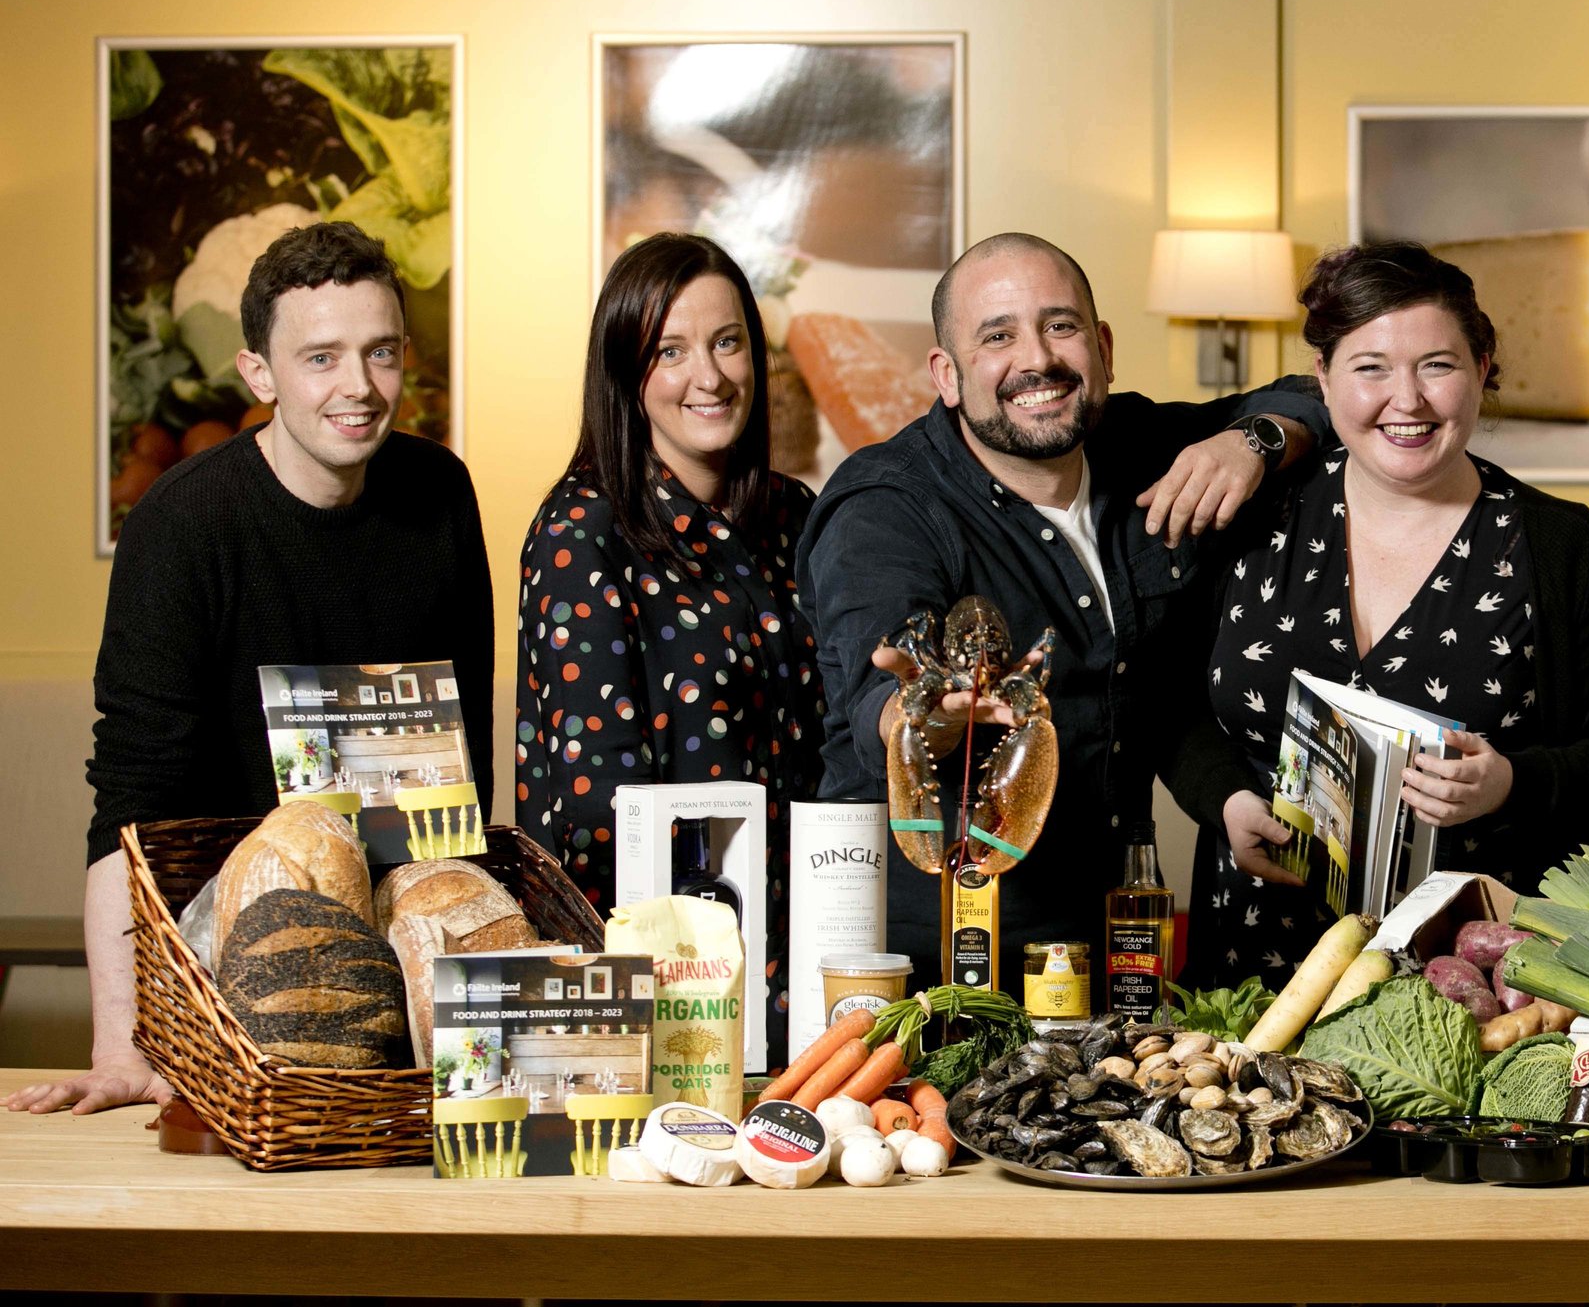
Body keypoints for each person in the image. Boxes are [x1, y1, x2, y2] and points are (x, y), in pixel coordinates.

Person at [7, 221, 494, 1116]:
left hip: (406, 940)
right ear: (258, 375)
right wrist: (121, 1045)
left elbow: (461, 769)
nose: (359, 387)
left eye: (380, 352)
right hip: (225, 959)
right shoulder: (182, 525)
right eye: (322, 358)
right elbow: (130, 802)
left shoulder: (441, 494)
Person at [798, 232, 1330, 980]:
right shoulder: (884, 506)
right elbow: (876, 699)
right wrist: (928, 715)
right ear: (946, 375)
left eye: (1060, 325)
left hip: (1109, 954)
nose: (1037, 359)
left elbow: (1318, 394)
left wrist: (1254, 441)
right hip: (932, 972)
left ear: (1103, 347)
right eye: (997, 335)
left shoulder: (1139, 446)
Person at [1161, 243, 1589, 981]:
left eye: (1436, 365)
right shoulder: (1248, 516)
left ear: (1481, 367)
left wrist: (1513, 783)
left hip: (1482, 995)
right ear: (1321, 376)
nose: (1404, 400)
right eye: (1369, 367)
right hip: (1255, 975)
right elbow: (1168, 701)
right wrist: (1224, 799)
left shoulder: (1561, 546)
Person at [513, 233, 825, 1033]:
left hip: (809, 960)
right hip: (663, 986)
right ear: (625, 372)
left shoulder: (795, 517)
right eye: (670, 351)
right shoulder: (581, 532)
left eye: (727, 343)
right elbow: (595, 810)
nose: (709, 377)